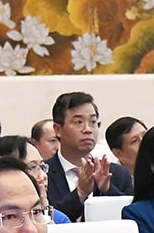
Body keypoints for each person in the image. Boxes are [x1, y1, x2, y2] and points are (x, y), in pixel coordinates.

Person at [47, 92, 134, 222]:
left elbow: (130, 218)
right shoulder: (42, 174)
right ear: (58, 129)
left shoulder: (117, 174)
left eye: (93, 122)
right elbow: (48, 222)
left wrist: (107, 189)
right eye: (78, 122)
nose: (87, 129)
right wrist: (80, 193)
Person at [0, 136, 71, 225]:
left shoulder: (59, 219)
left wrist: (44, 211)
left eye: (42, 167)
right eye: (32, 167)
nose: (43, 176)